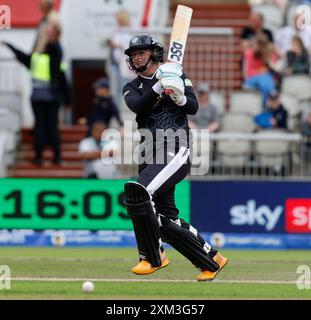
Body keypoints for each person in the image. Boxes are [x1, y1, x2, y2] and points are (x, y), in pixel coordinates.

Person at [122, 33, 228, 281]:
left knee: (138, 192)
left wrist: (179, 96)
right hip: (149, 150)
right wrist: (158, 86)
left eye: (142, 53)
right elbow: (139, 107)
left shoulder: (177, 75)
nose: (137, 57)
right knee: (164, 218)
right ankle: (211, 260)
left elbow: (192, 106)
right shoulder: (131, 87)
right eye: (134, 54)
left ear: (154, 54)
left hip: (175, 146)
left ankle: (151, 256)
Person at [1, 22, 69, 165]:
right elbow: (63, 81)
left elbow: (21, 56)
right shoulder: (56, 57)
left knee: (40, 126)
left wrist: (9, 46)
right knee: (52, 127)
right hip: (52, 98)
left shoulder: (37, 59)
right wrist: (67, 101)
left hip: (38, 97)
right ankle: (56, 157)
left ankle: (39, 157)